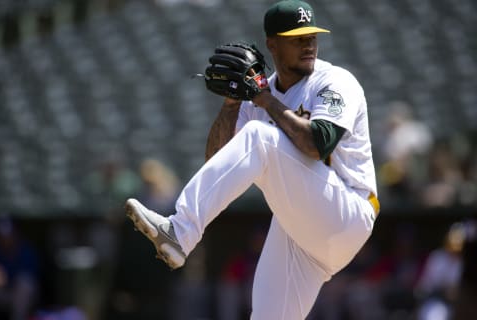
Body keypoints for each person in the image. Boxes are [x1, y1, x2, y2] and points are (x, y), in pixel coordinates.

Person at [125, 0, 379, 318]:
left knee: (261, 136)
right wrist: (232, 103)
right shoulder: (259, 96)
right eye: (296, 37)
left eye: (311, 36)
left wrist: (263, 99)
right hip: (300, 231)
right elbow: (218, 162)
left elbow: (317, 143)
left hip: (349, 211)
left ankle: (180, 231)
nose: (308, 44)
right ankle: (181, 231)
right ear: (272, 44)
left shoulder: (334, 82)